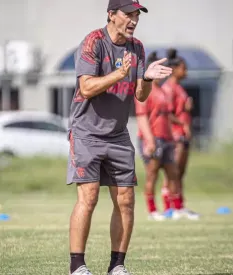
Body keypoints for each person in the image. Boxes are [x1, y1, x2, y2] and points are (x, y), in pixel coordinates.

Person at [66, 0, 173, 274]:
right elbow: (87, 88)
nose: (134, 20)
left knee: (126, 199)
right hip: (86, 133)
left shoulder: (136, 48)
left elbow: (139, 95)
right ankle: (77, 266)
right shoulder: (93, 42)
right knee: (88, 198)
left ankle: (117, 266)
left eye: (137, 15)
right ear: (112, 15)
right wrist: (119, 74)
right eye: (128, 14)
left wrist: (146, 79)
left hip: (118, 135)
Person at [135, 51, 184, 221]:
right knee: (152, 174)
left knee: (173, 173)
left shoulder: (162, 90)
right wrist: (149, 141)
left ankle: (174, 208)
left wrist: (173, 135)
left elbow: (165, 115)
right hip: (152, 138)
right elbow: (142, 118)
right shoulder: (145, 90)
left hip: (166, 138)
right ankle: (152, 211)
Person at [160, 49, 200, 220]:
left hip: (182, 134)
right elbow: (167, 113)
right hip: (175, 135)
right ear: (174, 69)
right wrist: (182, 123)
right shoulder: (169, 88)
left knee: (179, 173)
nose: (186, 72)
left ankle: (179, 205)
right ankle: (170, 207)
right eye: (183, 68)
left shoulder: (178, 87)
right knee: (172, 172)